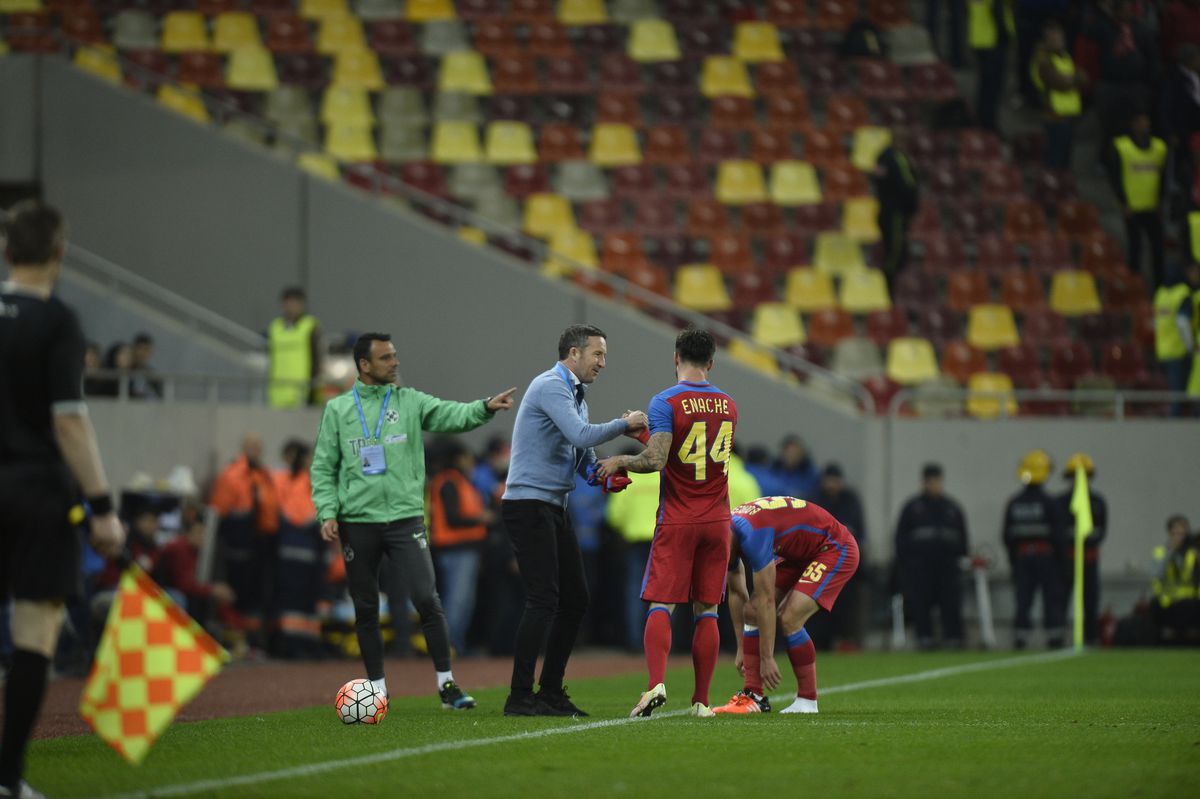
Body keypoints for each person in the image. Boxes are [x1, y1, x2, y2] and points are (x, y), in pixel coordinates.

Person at [311, 332, 515, 709]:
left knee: (427, 598)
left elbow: (451, 415)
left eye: (395, 355)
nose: (396, 362)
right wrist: (327, 512)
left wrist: (484, 407)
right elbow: (323, 467)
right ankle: (376, 689)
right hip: (357, 521)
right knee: (367, 607)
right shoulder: (338, 410)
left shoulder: (409, 401)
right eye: (386, 357)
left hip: (405, 519)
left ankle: (447, 684)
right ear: (365, 365)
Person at [0, 200, 125, 798]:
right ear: (60, 253)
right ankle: (7, 780)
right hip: (34, 494)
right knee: (33, 635)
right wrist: (102, 508)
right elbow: (71, 423)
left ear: (5, 251)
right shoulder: (57, 322)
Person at [501, 324, 646, 717]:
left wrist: (604, 474)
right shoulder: (551, 385)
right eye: (598, 355)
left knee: (575, 599)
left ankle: (549, 692)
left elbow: (581, 456)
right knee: (544, 599)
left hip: (552, 505)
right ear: (574, 354)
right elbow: (581, 435)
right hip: (528, 504)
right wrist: (626, 423)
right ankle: (519, 696)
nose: (603, 363)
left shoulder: (575, 395)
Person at [595, 328, 738, 720]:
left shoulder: (665, 401)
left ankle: (656, 683)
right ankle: (702, 702)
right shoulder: (728, 404)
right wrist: (644, 433)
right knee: (706, 610)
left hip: (678, 518)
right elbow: (694, 451)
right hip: (717, 520)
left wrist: (620, 459)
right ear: (711, 362)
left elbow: (658, 460)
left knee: (662, 603)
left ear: (676, 358)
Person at [714, 497, 860, 715]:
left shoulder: (753, 534)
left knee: (789, 618)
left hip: (834, 547)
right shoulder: (726, 534)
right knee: (752, 611)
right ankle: (754, 697)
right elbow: (736, 593)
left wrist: (767, 657)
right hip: (800, 553)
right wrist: (741, 648)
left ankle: (807, 701)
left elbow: (766, 600)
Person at [209, 432, 280, 638]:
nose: (254, 451)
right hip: (238, 543)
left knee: (258, 594)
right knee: (239, 593)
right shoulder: (232, 475)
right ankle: (237, 637)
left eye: (258, 447)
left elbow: (271, 509)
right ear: (243, 448)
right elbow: (219, 511)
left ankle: (253, 639)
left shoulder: (265, 475)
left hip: (263, 542)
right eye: (251, 446)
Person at [428, 439, 493, 656]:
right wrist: (482, 518)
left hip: (464, 549)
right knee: (457, 601)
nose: (470, 461)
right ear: (457, 458)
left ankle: (456, 645)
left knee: (462, 601)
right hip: (456, 550)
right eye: (466, 456)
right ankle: (449, 647)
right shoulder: (449, 482)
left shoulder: (458, 481)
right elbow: (453, 518)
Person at [894, 463, 970, 650]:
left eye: (936, 481)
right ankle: (924, 638)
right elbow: (900, 539)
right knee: (922, 603)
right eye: (929, 481)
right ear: (923, 482)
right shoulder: (912, 508)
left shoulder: (952, 508)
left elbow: (963, 539)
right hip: (920, 567)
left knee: (950, 602)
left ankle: (953, 638)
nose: (933, 485)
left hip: (947, 567)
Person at [1002, 449, 1069, 649]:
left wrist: (1013, 561)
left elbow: (1007, 536)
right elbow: (1059, 537)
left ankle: (1021, 636)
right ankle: (1055, 635)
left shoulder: (1014, 503)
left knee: (1023, 599)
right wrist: (1063, 564)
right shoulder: (1051, 503)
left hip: (1023, 558)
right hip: (1047, 558)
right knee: (1052, 598)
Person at [271, 440, 324, 657]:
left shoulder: (312, 482)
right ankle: (294, 646)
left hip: (312, 549)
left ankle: (308, 644)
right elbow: (297, 514)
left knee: (310, 601)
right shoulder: (296, 483)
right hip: (296, 548)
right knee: (295, 600)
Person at [153, 504, 237, 631]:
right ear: (189, 532)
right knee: (180, 598)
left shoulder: (199, 552)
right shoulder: (178, 548)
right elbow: (183, 584)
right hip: (162, 590)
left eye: (204, 533)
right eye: (198, 532)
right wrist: (213, 590)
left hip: (181, 591)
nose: (202, 537)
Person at [1108, 112, 1168, 287]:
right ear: (1132, 124)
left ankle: (1160, 287)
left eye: (1147, 121)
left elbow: (1163, 177)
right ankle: (1134, 287)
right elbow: (1115, 177)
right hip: (1132, 207)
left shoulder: (1159, 147)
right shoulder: (1122, 146)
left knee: (1158, 249)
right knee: (1136, 248)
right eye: (1140, 121)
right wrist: (1123, 202)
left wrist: (1161, 201)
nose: (1145, 125)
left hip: (1152, 206)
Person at [604, 464, 660, 652]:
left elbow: (614, 516)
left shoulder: (628, 481)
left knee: (634, 590)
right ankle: (662, 642)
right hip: (661, 540)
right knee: (664, 592)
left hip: (635, 541)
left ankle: (635, 641)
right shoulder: (663, 477)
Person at [813, 463, 867, 648]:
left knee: (846, 606)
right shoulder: (816, 500)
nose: (831, 484)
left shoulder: (850, 500)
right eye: (828, 480)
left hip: (844, 561)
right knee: (819, 604)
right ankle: (822, 642)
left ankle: (846, 641)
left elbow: (858, 532)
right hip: (821, 562)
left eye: (834, 480)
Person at [1056, 453, 1107, 646]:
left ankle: (1091, 637)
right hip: (1067, 559)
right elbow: (1057, 532)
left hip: (1090, 558)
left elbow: (1101, 531)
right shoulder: (1060, 502)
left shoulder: (1098, 502)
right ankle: (1058, 637)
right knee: (1061, 599)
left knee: (1091, 600)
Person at [1031, 20, 1084, 169]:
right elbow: (1058, 83)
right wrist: (1071, 79)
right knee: (1055, 161)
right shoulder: (1043, 60)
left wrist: (1070, 78)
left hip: (1068, 116)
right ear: (1047, 40)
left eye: (1061, 39)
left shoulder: (1065, 57)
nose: (1060, 42)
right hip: (1054, 116)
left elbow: (1084, 77)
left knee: (1065, 162)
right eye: (1055, 39)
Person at [873, 138, 919, 287]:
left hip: (884, 209)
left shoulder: (881, 157)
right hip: (895, 213)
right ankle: (888, 283)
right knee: (895, 251)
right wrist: (912, 207)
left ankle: (889, 284)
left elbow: (878, 182)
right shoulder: (898, 159)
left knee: (890, 248)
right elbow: (908, 185)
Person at [268, 286, 321, 409]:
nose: (291, 306)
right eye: (287, 302)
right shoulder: (275, 327)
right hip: (278, 391)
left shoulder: (310, 325)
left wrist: (313, 387)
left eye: (294, 302)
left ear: (302, 304)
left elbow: (317, 357)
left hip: (302, 390)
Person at [1150, 515, 1200, 643]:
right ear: (1169, 533)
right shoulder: (1160, 552)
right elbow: (1157, 575)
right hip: (1168, 601)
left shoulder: (1193, 553)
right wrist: (1170, 552)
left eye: (1182, 533)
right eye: (1175, 533)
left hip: (1190, 600)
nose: (1179, 537)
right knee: (1155, 605)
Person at [1154, 266, 1195, 416]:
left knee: (1172, 395)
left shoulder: (1160, 294)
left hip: (1162, 351)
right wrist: (1190, 346)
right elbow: (1183, 323)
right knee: (1178, 397)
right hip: (1178, 351)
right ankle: (1175, 427)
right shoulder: (1182, 293)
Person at [968, 0, 1015, 132]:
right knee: (993, 87)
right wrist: (1006, 35)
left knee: (986, 86)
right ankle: (988, 125)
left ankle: (982, 122)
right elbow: (998, 9)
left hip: (980, 38)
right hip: (993, 40)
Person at [773, 435, 820, 500]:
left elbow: (811, 493)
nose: (792, 456)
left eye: (795, 453)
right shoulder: (774, 470)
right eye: (789, 453)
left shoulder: (810, 473)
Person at [128, 332, 161, 400]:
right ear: (133, 349)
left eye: (146, 349)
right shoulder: (126, 371)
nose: (142, 353)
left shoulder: (152, 375)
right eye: (140, 348)